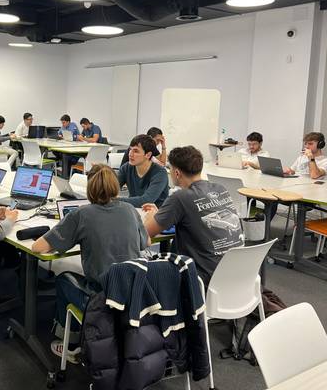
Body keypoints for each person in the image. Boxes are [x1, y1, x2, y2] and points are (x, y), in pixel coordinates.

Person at [32, 164, 150, 361]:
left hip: (101, 297)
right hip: (134, 294)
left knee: (63, 279)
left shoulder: (81, 214)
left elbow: (38, 248)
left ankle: (71, 342)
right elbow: (146, 242)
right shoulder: (130, 209)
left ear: (89, 189)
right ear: (116, 186)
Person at [143, 146, 243, 286]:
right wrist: (162, 213)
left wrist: (152, 215)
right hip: (238, 274)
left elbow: (145, 233)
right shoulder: (220, 189)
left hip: (204, 279)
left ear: (176, 173)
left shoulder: (180, 198)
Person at [117, 134, 169, 208]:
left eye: (136, 151)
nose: (130, 154)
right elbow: (111, 188)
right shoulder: (126, 168)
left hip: (155, 215)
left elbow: (146, 200)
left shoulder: (160, 173)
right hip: (134, 210)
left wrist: (115, 200)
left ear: (148, 155)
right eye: (130, 149)